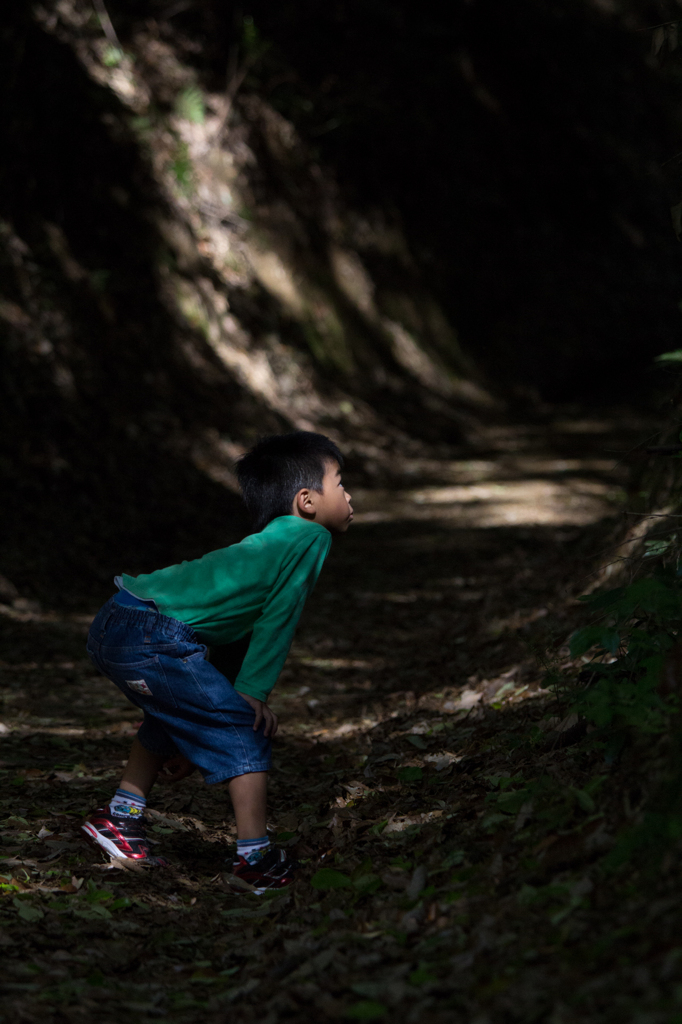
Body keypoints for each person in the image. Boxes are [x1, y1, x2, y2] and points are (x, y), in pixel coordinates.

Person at [81, 431, 353, 892]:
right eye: (341, 483)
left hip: (120, 618)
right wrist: (251, 696)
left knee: (171, 718)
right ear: (307, 501)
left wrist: (193, 735)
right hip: (151, 633)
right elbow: (277, 619)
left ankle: (120, 819)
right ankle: (255, 858)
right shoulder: (309, 537)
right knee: (241, 729)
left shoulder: (269, 542)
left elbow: (232, 636)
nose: (349, 495)